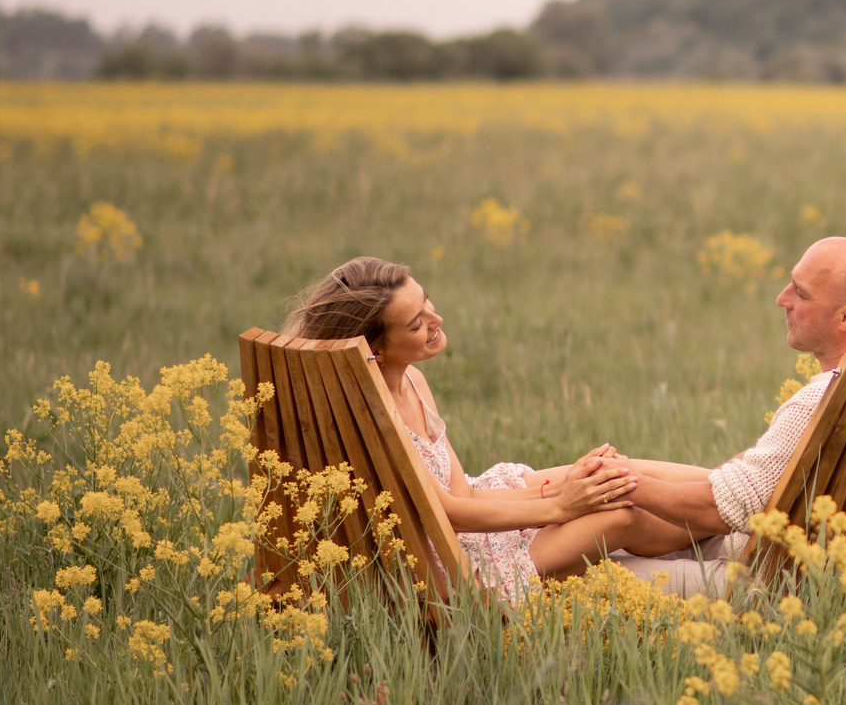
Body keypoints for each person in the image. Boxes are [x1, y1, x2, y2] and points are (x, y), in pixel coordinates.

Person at [282, 258, 683, 602]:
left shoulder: (413, 382)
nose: (436, 321)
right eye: (416, 323)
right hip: (454, 559)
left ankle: (735, 495)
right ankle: (735, 527)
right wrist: (563, 507)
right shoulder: (372, 419)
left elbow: (465, 493)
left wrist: (566, 490)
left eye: (426, 303)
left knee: (615, 470)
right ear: (375, 350)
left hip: (476, 516)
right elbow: (451, 514)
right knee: (621, 515)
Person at [607, 236, 846, 594]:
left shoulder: (820, 401)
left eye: (801, 294)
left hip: (780, 581)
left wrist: (619, 481)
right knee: (620, 536)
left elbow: (721, 510)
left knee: (594, 570)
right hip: (831, 561)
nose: (782, 299)